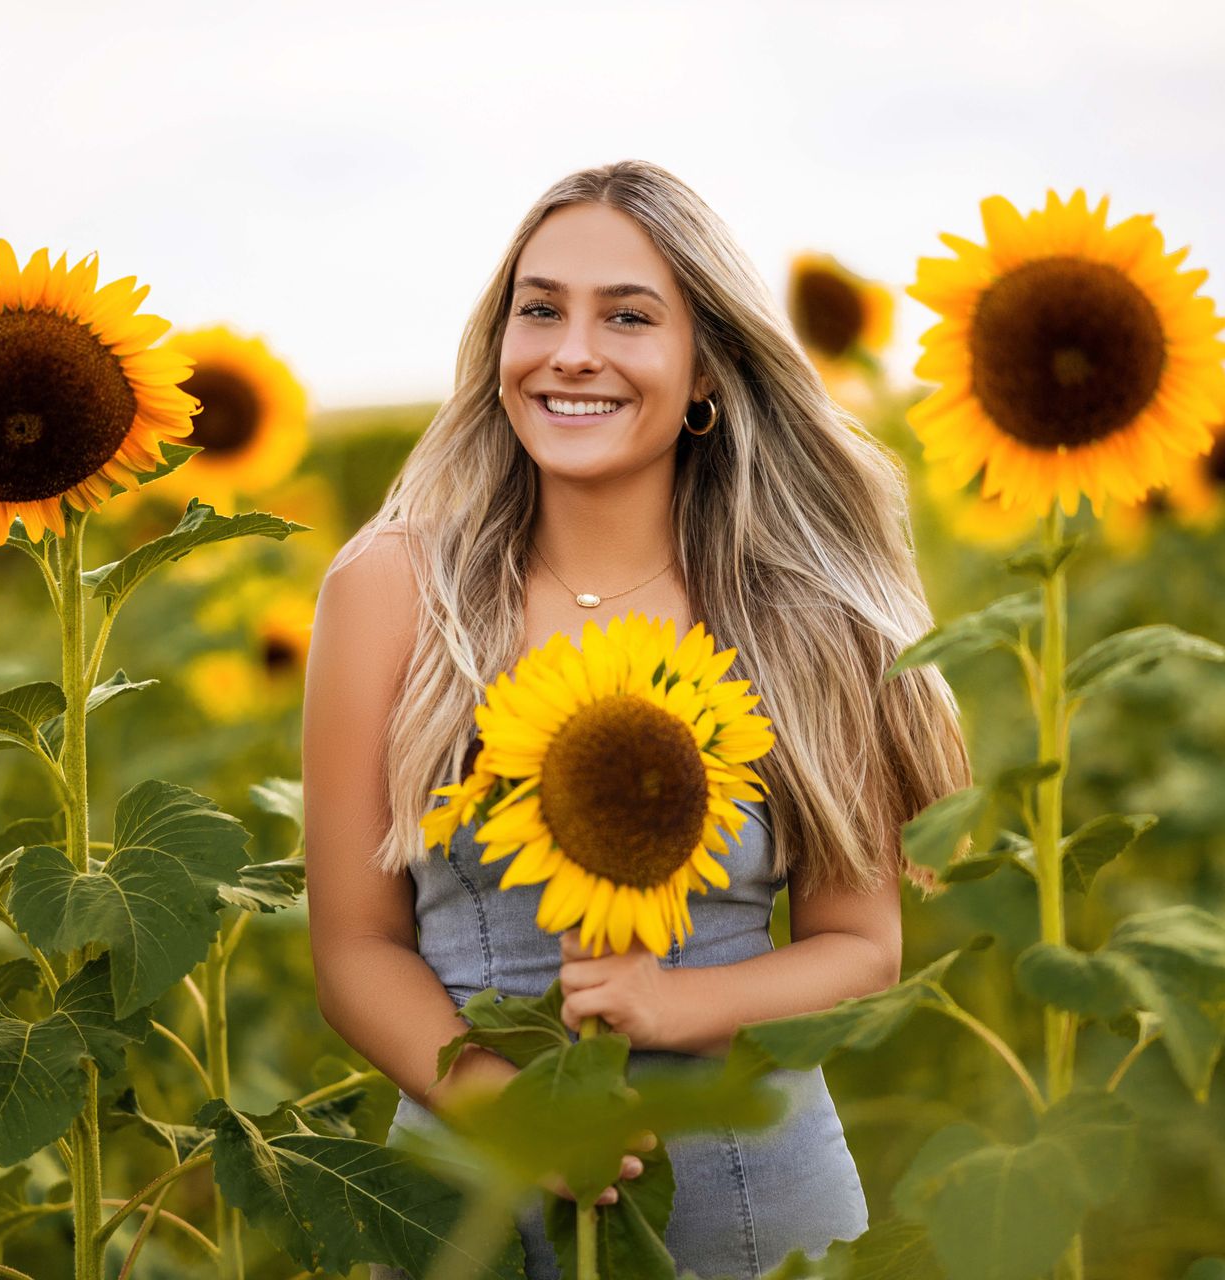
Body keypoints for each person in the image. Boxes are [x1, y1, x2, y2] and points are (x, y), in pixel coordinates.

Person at [303, 159, 971, 1280]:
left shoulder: (799, 611)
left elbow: (863, 947)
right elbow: (354, 947)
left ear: (704, 364)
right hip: (466, 1204)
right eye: (541, 309)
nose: (573, 350)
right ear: (500, 344)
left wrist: (673, 1002)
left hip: (756, 1208)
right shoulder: (390, 588)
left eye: (628, 316)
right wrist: (512, 1111)